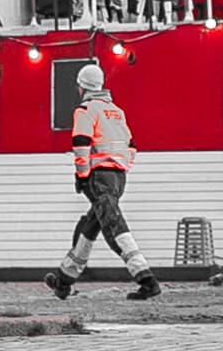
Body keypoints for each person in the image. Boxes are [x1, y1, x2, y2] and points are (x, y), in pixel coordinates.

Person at [52, 59, 154, 297]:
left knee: (113, 226)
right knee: (91, 225)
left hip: (98, 177)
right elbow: (131, 145)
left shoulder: (86, 110)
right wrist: (122, 167)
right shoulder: (117, 112)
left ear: (82, 87)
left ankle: (146, 279)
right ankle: (64, 280)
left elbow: (81, 144)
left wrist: (82, 175)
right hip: (119, 177)